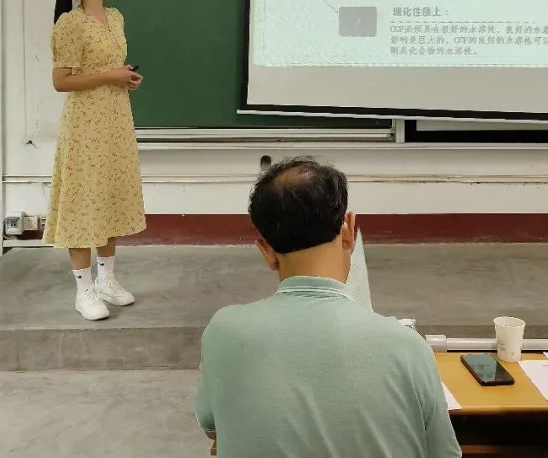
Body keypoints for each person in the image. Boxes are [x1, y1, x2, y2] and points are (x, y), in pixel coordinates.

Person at [195, 156, 461, 458]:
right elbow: (444, 452)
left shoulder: (223, 332)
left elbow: (212, 426)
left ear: (266, 252)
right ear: (348, 231)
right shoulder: (408, 347)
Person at [45, 0, 145, 321]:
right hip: (85, 125)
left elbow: (109, 67)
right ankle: (83, 290)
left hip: (116, 119)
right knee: (82, 201)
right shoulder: (70, 24)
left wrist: (125, 77)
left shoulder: (115, 17)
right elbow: (61, 81)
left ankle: (107, 280)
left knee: (110, 195)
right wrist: (108, 75)